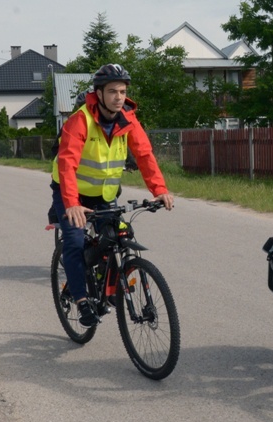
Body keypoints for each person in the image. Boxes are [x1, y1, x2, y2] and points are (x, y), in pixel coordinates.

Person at [50, 63, 174, 328]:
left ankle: (107, 287)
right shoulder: (80, 120)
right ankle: (82, 300)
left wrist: (159, 189)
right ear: (99, 93)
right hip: (69, 192)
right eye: (113, 91)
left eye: (122, 91)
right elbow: (68, 163)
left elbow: (144, 155)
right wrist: (72, 204)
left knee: (119, 234)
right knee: (74, 241)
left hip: (102, 193)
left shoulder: (128, 119)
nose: (119, 97)